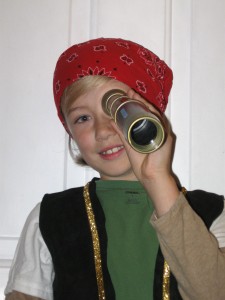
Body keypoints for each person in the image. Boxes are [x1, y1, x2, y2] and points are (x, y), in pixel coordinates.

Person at [4, 37, 225, 300]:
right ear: (71, 134)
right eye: (82, 118)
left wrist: (156, 177)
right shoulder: (50, 218)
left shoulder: (211, 213)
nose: (102, 130)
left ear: (148, 115)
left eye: (118, 111)